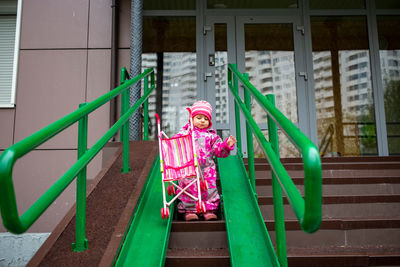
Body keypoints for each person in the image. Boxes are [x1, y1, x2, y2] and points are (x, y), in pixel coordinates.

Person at [174, 100, 237, 221]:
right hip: (189, 168)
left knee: (209, 190)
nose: (202, 121)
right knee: (189, 189)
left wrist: (226, 145)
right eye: (198, 117)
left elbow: (218, 151)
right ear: (191, 119)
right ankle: (190, 211)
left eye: (205, 118)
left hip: (207, 170)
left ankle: (209, 210)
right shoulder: (185, 132)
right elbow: (177, 144)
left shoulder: (212, 136)